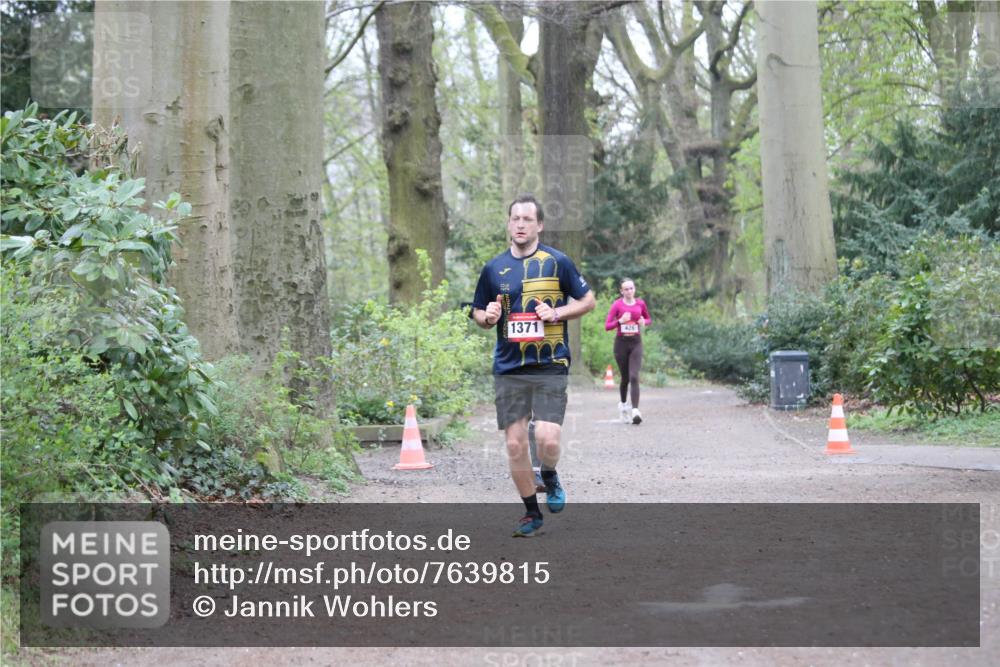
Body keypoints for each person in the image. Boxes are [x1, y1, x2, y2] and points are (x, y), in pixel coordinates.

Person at [472, 194, 595, 537]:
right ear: (509, 224)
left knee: (547, 441)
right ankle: (531, 513)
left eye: (528, 219)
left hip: (549, 364)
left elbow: (588, 300)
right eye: (516, 219)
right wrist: (487, 316)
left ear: (539, 225)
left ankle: (550, 474)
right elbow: (478, 310)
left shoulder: (558, 262)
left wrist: (556, 313)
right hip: (509, 368)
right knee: (514, 445)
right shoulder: (494, 268)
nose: (521, 224)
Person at [604, 278, 651, 425]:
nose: (629, 291)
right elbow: (607, 326)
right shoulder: (617, 305)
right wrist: (620, 321)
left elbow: (648, 319)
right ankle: (623, 406)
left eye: (631, 288)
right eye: (626, 289)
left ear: (634, 289)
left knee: (634, 376)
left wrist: (644, 322)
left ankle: (635, 410)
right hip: (621, 344)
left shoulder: (640, 303)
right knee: (625, 378)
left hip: (636, 343)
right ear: (621, 291)